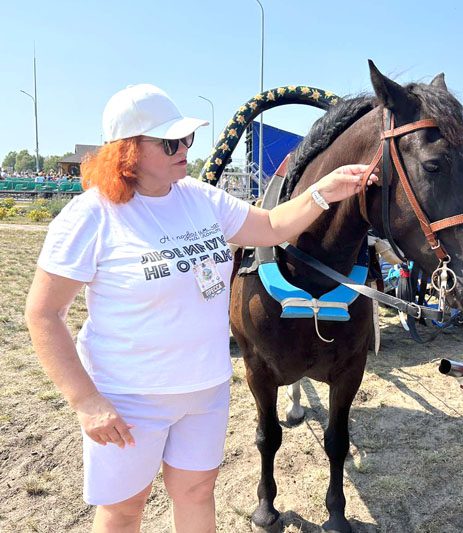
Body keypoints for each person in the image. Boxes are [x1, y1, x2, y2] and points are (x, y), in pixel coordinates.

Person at [24, 83, 378, 533]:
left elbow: (269, 226)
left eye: (187, 138)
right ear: (126, 151)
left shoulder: (198, 197)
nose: (185, 148)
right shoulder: (90, 216)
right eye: (170, 141)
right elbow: (43, 314)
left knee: (196, 492)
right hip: (131, 397)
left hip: (204, 391)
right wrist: (86, 401)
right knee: (125, 509)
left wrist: (325, 190)